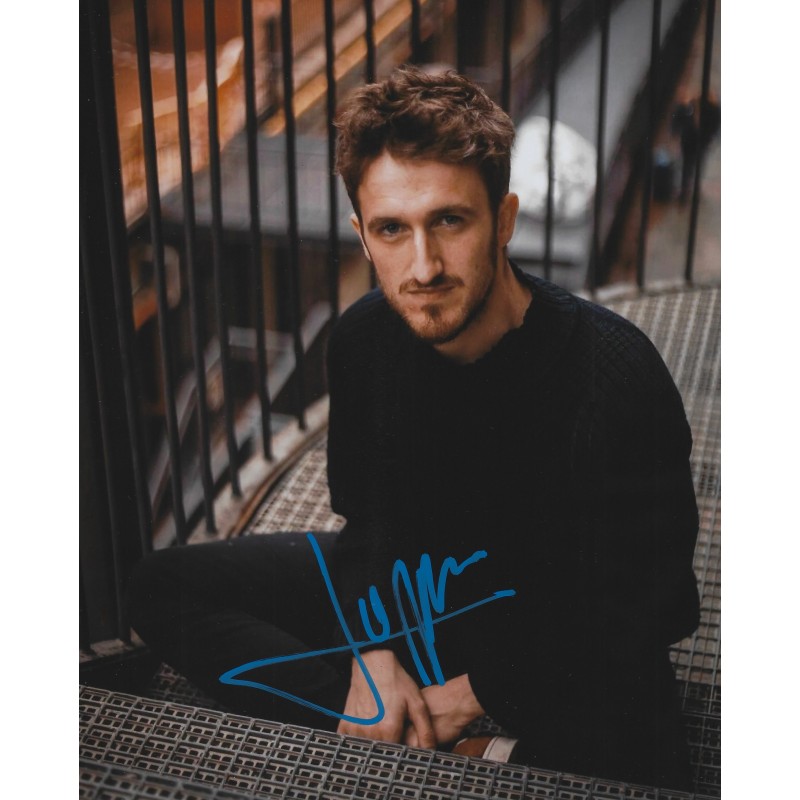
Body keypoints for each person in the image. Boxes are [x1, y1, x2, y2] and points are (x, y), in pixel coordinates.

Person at [128, 66, 700, 790]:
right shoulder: (364, 341)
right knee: (161, 586)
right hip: (420, 595)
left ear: (504, 220)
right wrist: (372, 654)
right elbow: (368, 526)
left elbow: (656, 603)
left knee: (635, 742)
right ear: (363, 236)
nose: (423, 266)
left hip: (553, 627)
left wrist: (475, 695)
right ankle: (403, 732)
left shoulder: (612, 375)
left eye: (449, 221)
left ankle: (436, 735)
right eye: (392, 229)